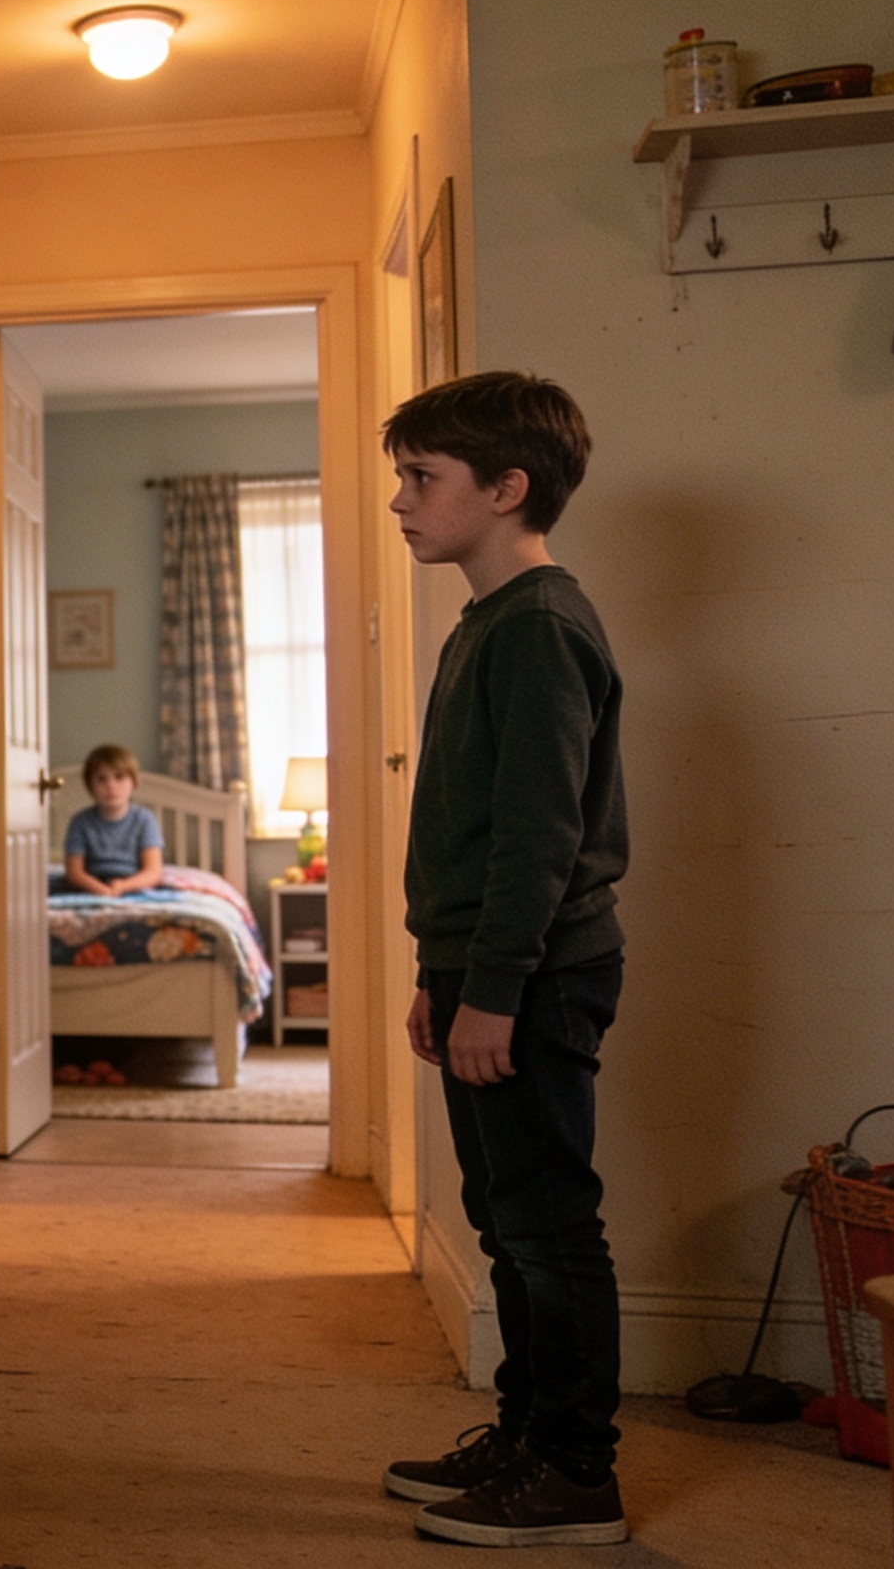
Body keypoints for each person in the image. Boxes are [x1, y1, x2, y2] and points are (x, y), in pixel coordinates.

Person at [379, 371, 628, 1547]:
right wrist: (444, 978)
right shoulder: (488, 620)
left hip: (532, 974)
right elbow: (469, 832)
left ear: (506, 488)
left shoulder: (537, 624)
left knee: (546, 1221)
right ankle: (526, 1436)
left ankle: (578, 1472)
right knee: (504, 1215)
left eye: (422, 478)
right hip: (482, 971)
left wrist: (490, 990)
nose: (400, 500)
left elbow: (539, 834)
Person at [60, 743, 164, 897]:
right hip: (91, 887)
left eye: (119, 777)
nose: (111, 786)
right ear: (90, 785)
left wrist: (122, 886)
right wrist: (100, 890)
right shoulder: (80, 822)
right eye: (101, 779)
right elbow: (74, 873)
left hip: (134, 885)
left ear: (133, 782)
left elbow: (153, 872)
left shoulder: (145, 820)